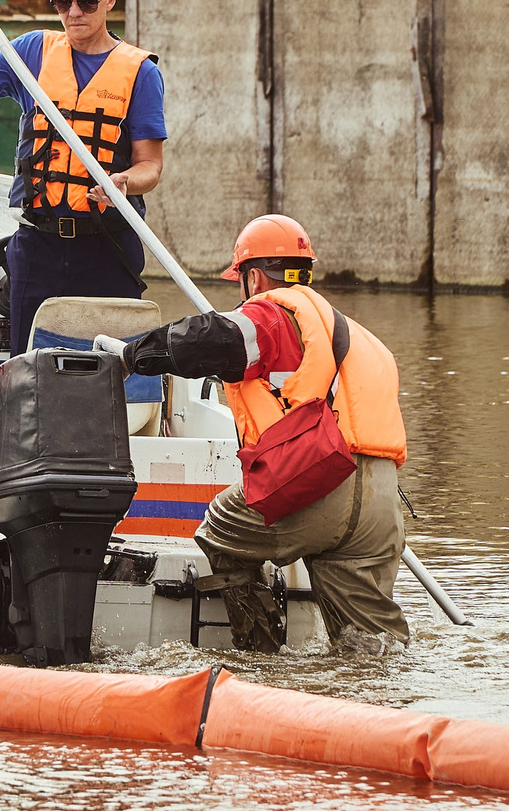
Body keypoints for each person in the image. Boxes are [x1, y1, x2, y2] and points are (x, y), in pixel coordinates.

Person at [99, 215, 410, 652]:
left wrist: (133, 356)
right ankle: (378, 702)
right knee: (370, 645)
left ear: (255, 276)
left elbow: (211, 339)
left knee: (220, 528)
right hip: (381, 502)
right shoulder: (355, 333)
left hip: (317, 483)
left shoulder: (272, 313)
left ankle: (261, 653)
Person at [0, 0, 168, 353]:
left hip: (106, 245)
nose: (74, 12)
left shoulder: (140, 72)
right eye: (63, 2)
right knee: (30, 369)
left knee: (112, 369)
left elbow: (150, 165)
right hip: (38, 245)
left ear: (110, 1)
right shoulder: (33, 51)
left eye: (87, 1)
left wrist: (124, 183)